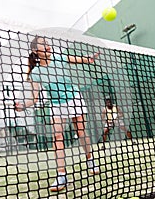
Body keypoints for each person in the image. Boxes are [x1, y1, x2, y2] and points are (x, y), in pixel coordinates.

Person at [15, 36, 100, 192]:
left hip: (74, 98)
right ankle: (62, 175)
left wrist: (90, 59)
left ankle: (90, 159)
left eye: (47, 43)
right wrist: (22, 106)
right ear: (35, 51)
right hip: (56, 105)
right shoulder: (35, 73)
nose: (47, 46)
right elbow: (34, 99)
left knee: (81, 132)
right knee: (57, 137)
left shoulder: (59, 58)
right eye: (43, 45)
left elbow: (81, 60)